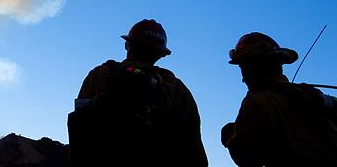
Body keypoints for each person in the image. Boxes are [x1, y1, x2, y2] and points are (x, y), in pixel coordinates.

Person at [68, 19, 208, 167]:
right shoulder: (176, 89)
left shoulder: (100, 74)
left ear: (127, 45)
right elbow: (194, 150)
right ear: (161, 54)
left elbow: (80, 124)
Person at [222, 32, 337, 167]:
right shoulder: (309, 94)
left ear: (251, 68)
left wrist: (230, 135)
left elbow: (247, 158)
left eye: (243, 66)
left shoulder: (257, 102)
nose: (242, 75)